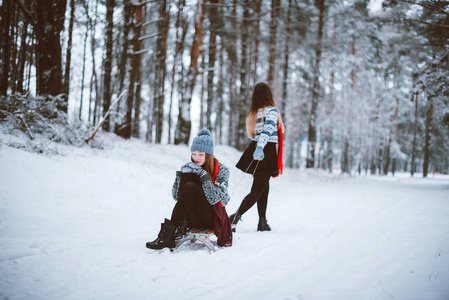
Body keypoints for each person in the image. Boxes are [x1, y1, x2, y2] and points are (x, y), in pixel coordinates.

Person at [146, 129, 232, 250]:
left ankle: (168, 235)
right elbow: (177, 197)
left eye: (201, 154)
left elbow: (216, 200)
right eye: (193, 153)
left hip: (211, 218)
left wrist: (204, 177)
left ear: (209, 155)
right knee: (188, 179)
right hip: (192, 217)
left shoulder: (222, 171)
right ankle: (169, 234)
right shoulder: (193, 168)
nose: (196, 157)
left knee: (191, 186)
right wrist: (179, 177)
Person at [230, 82, 285, 232]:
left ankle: (262, 222)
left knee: (263, 187)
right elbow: (267, 131)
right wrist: (261, 147)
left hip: (256, 148)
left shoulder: (254, 113)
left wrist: (258, 146)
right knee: (257, 189)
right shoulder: (272, 111)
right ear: (269, 94)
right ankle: (233, 219)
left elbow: (257, 133)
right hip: (264, 150)